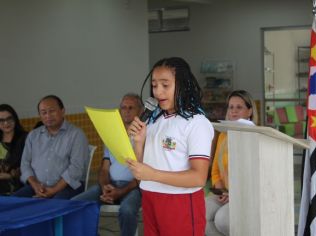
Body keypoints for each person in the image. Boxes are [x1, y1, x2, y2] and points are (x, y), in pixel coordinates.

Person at [126, 57, 214, 236]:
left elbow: (198, 177)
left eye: (165, 85)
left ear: (183, 85)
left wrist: (153, 175)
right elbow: (142, 167)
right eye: (154, 85)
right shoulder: (152, 121)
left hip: (179, 202)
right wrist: (139, 142)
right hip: (150, 196)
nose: (158, 92)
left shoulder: (197, 123)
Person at [72, 93, 143, 236]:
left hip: (134, 187)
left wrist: (120, 192)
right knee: (75, 203)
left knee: (127, 210)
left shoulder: (145, 136)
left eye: (131, 108)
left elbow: (143, 175)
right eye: (123, 107)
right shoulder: (113, 135)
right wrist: (105, 186)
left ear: (140, 111)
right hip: (110, 184)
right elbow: (104, 169)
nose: (127, 111)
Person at [13, 95, 89, 199]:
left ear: (62, 111)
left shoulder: (76, 134)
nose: (48, 116)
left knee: (54, 207)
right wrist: (35, 185)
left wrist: (54, 190)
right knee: (12, 202)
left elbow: (76, 168)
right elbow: (25, 164)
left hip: (68, 187)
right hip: (37, 186)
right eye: (43, 112)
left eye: (52, 111)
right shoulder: (33, 135)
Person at [205, 90, 258, 236]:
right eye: (231, 107)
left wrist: (234, 193)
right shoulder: (223, 134)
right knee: (201, 214)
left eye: (239, 107)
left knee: (222, 219)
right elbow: (215, 170)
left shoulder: (257, 136)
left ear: (250, 111)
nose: (234, 111)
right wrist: (222, 190)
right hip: (224, 193)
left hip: (246, 194)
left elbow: (253, 174)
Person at [0, 104, 28, 195]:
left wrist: (9, 176)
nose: (6, 123)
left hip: (19, 188)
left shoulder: (26, 139)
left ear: (15, 118)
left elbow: (33, 167)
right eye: (1, 120)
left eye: (9, 119)